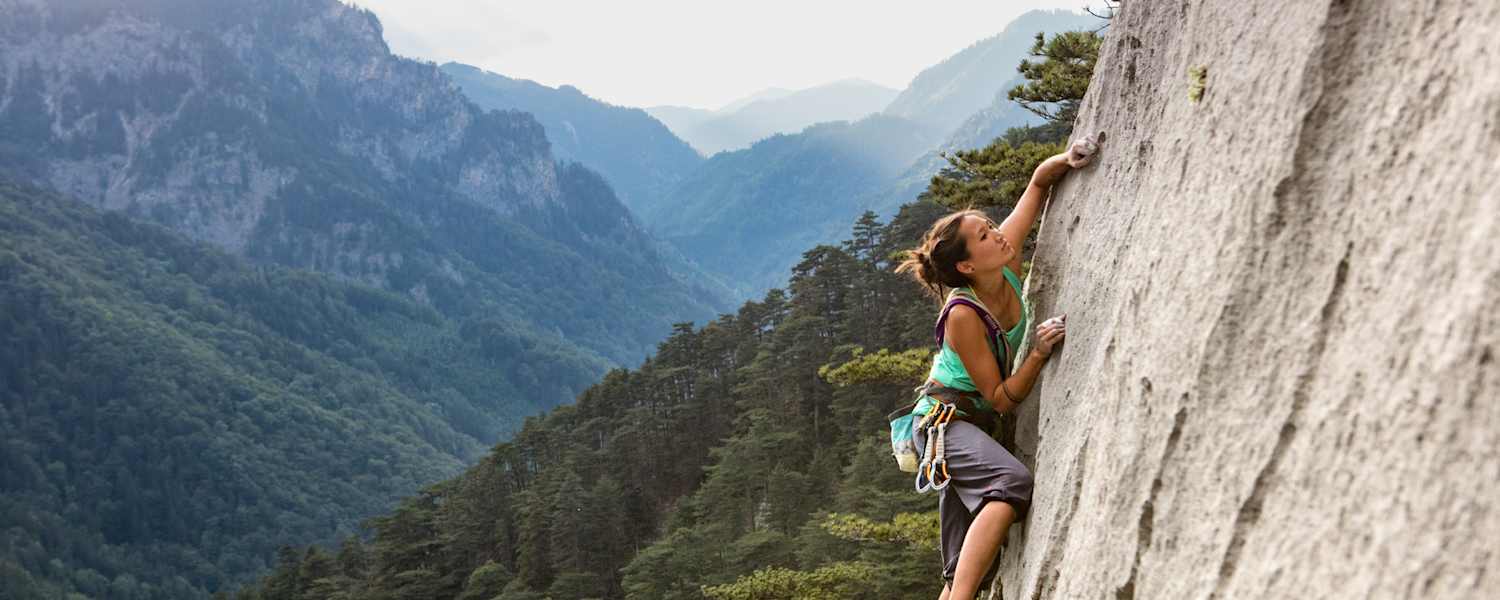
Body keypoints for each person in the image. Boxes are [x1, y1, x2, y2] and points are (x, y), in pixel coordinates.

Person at [895, 134, 1099, 600]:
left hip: (971, 426)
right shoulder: (963, 314)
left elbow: (1037, 184)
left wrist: (1067, 159)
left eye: (990, 225)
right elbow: (1001, 396)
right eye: (984, 235)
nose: (999, 234)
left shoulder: (1001, 263)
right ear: (966, 266)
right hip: (945, 423)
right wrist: (1038, 353)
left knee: (962, 569)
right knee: (1010, 485)